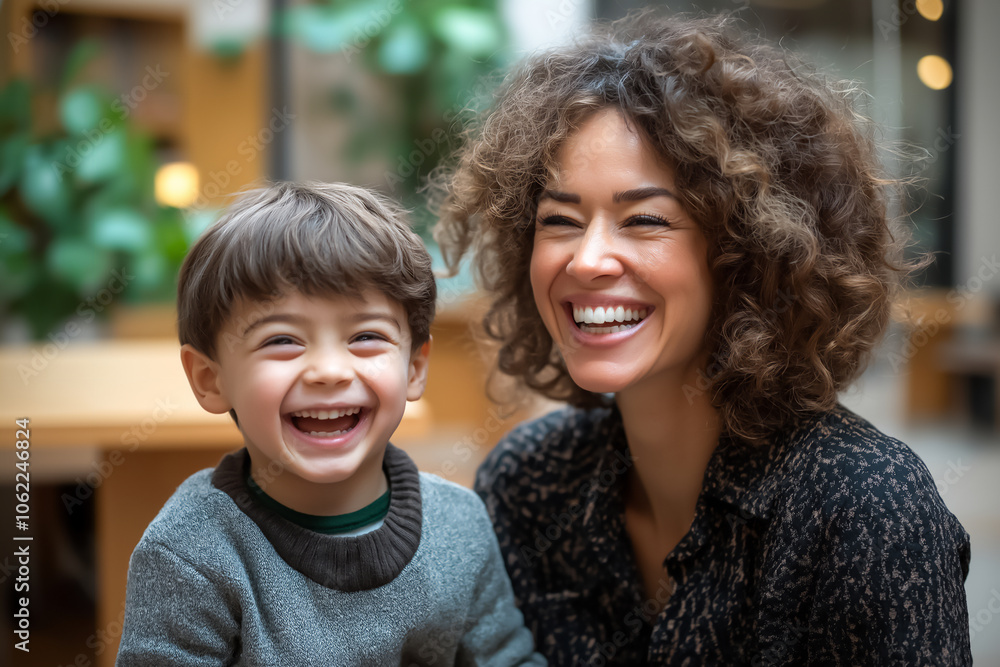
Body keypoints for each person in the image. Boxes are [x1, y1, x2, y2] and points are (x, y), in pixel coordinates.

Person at [432, 12, 971, 666]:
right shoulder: (528, 483)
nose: (586, 259)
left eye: (646, 219)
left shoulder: (865, 507)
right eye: (560, 220)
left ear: (749, 251)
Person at [116, 182, 546, 666]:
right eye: (282, 340)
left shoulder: (460, 526)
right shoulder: (188, 552)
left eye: (365, 336)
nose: (329, 371)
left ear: (414, 369)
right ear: (210, 379)